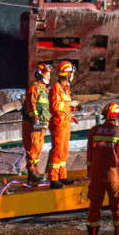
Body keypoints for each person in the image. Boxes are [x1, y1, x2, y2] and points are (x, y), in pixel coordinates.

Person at [84, 102, 119, 235]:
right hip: (113, 175)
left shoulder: (94, 130)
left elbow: (90, 154)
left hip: (96, 174)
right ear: (117, 117)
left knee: (94, 206)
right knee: (117, 206)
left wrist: (89, 172)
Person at [47, 60, 78, 188]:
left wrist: (73, 107)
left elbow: (63, 106)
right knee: (58, 151)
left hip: (65, 122)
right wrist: (69, 104)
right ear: (67, 74)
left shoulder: (65, 89)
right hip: (59, 123)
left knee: (64, 151)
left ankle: (62, 176)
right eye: (72, 73)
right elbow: (54, 106)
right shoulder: (57, 88)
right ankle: (54, 179)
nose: (73, 76)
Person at [22, 63, 52, 185]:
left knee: (38, 149)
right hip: (32, 124)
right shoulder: (34, 87)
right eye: (47, 73)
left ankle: (35, 172)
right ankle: (31, 173)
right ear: (40, 74)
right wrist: (36, 118)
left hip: (40, 125)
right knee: (32, 148)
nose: (49, 76)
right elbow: (31, 104)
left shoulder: (43, 89)